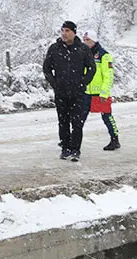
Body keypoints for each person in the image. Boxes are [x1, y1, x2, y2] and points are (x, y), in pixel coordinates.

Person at [43, 20, 96, 161]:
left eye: (67, 31)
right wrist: (54, 83)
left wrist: (83, 83)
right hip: (61, 92)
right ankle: (65, 148)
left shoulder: (83, 49)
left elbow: (92, 68)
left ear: (74, 32)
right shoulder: (55, 48)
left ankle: (75, 149)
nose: (64, 34)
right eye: (63, 30)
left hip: (77, 93)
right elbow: (46, 68)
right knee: (63, 121)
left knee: (77, 122)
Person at [81, 30, 120, 151]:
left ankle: (115, 140)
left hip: (100, 93)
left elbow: (108, 76)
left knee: (107, 117)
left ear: (94, 40)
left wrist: (104, 92)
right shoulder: (82, 54)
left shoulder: (104, 55)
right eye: (84, 40)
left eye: (88, 40)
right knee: (80, 117)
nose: (85, 42)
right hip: (86, 92)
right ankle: (72, 140)